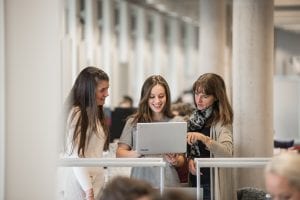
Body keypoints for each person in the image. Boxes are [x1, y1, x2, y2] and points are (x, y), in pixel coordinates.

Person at [116, 75, 185, 187]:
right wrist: (138, 153)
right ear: (145, 98)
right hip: (140, 182)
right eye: (152, 97)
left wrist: (175, 160)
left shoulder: (177, 121)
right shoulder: (133, 122)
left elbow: (182, 159)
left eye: (161, 96)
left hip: (168, 182)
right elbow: (120, 153)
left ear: (167, 97)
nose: (157, 101)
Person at [62, 66, 110, 200]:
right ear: (89, 91)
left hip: (95, 182)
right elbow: (75, 155)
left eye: (107, 89)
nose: (107, 94)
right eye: (102, 90)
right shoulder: (77, 113)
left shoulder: (94, 113)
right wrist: (88, 189)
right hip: (81, 184)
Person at [186, 73, 234, 200]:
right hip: (194, 183)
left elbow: (227, 153)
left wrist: (203, 138)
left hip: (212, 185)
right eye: (197, 94)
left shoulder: (222, 122)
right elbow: (192, 151)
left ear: (216, 97)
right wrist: (190, 159)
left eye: (205, 96)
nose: (199, 100)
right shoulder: (193, 119)